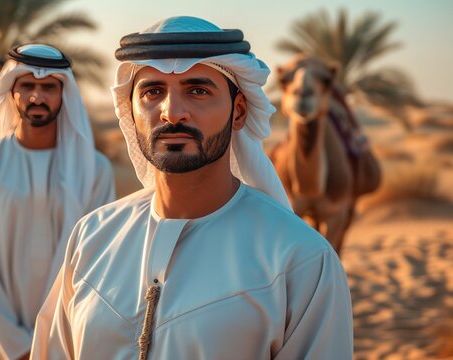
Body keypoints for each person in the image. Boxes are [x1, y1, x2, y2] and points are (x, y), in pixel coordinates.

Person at [30, 16, 353, 360]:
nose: (172, 113)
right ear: (131, 112)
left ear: (239, 112)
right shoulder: (92, 238)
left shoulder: (300, 260)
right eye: (153, 92)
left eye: (198, 91)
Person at [0, 43, 116, 360]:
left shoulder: (94, 170)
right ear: (11, 92)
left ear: (64, 95)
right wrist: (18, 346)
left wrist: (51, 340)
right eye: (27, 85)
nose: (37, 97)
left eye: (49, 88)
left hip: (67, 339)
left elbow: (95, 261)